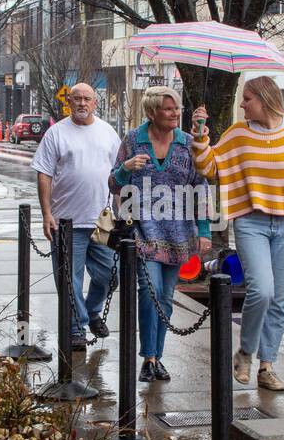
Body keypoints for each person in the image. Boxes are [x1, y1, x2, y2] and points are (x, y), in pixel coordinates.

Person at [191, 76, 284, 392]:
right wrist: (200, 134)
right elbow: (208, 167)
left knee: (279, 300)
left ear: (265, 99)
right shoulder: (239, 134)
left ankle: (266, 366)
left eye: (248, 99)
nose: (242, 104)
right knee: (262, 291)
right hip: (251, 223)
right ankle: (245, 352)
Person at [110, 86, 211, 382]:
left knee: (166, 298)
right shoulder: (133, 141)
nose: (175, 113)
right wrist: (126, 168)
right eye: (168, 109)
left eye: (177, 108)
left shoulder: (188, 144)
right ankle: (148, 357)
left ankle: (158, 357)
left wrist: (204, 230)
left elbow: (201, 189)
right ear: (152, 112)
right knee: (149, 290)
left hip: (178, 232)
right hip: (144, 231)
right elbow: (113, 184)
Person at [32, 83, 122, 350]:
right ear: (69, 102)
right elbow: (44, 174)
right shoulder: (56, 134)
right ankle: (76, 328)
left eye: (87, 99)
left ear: (95, 103)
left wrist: (123, 211)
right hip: (66, 221)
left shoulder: (108, 132)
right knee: (70, 279)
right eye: (77, 99)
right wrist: (46, 213)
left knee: (111, 274)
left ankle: (93, 312)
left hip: (103, 219)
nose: (82, 103)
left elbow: (118, 175)